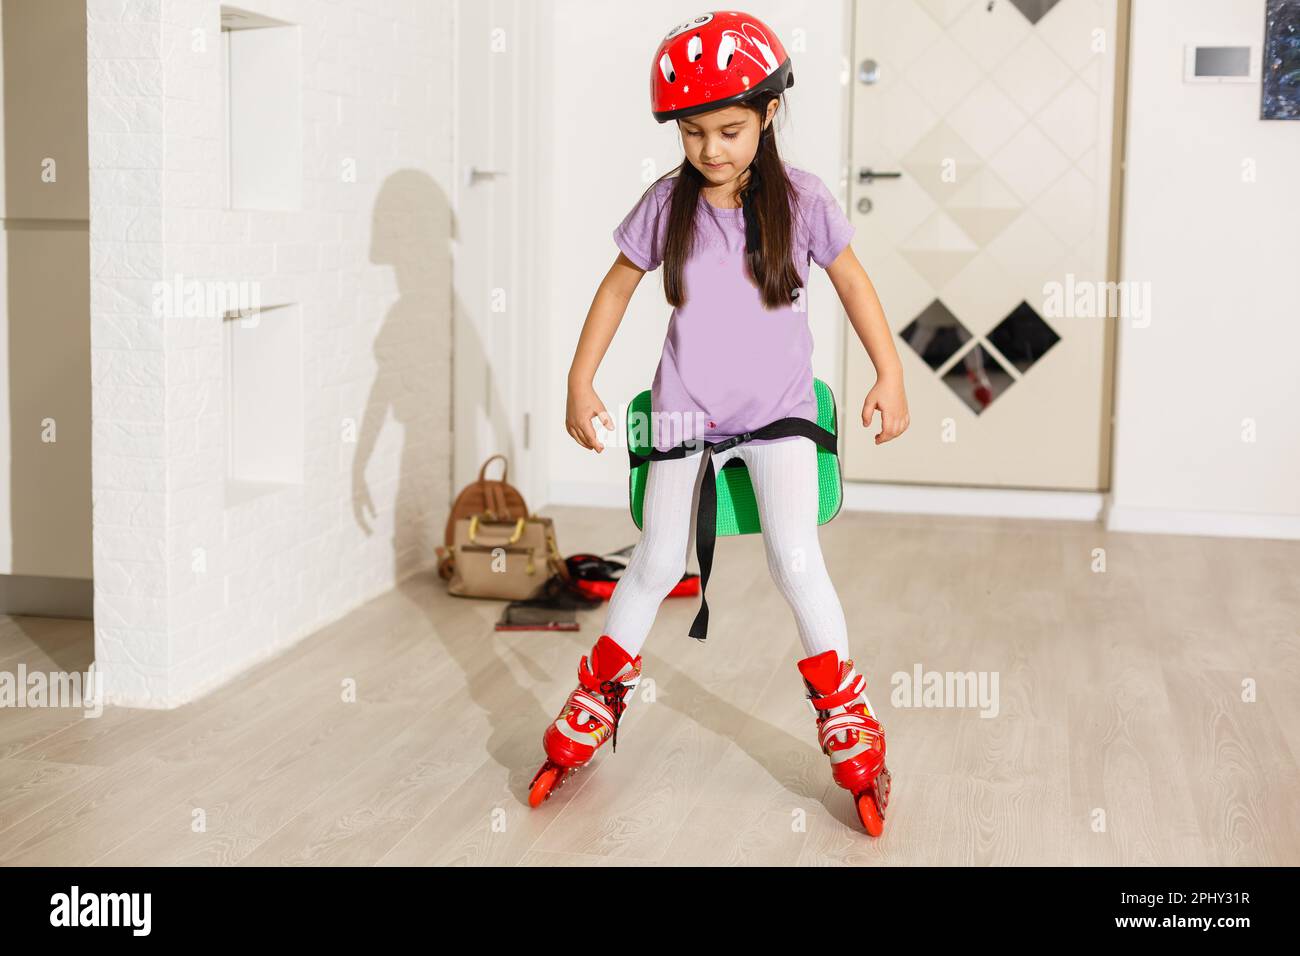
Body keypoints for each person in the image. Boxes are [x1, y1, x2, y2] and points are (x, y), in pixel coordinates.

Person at [530, 11, 909, 836]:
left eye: (731, 129)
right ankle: (597, 701)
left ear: (770, 113)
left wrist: (890, 371)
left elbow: (853, 285)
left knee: (795, 558)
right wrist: (578, 379)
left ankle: (849, 724)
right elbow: (616, 289)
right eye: (694, 132)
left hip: (779, 416)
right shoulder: (667, 203)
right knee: (658, 560)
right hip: (682, 412)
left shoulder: (803, 200)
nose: (711, 149)